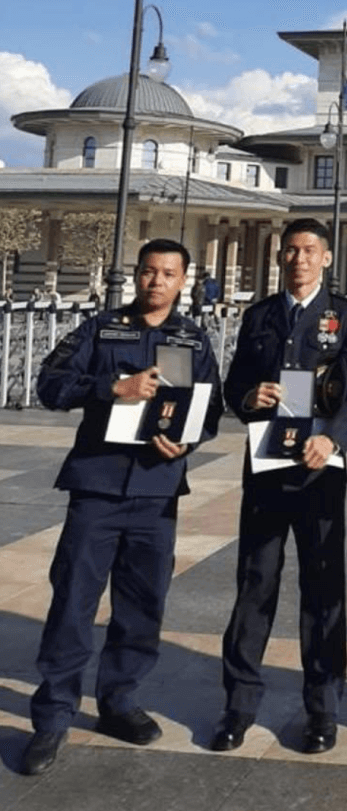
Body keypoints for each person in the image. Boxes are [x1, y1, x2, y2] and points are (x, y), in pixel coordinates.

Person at [20, 238, 222, 776]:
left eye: (168, 274)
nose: (157, 282)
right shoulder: (101, 329)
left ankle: (119, 701)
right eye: (149, 272)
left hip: (156, 492)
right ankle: (53, 715)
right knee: (74, 603)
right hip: (99, 488)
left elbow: (210, 409)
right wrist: (115, 385)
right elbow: (50, 384)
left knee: (142, 604)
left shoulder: (193, 340)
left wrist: (188, 440)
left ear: (184, 280)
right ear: (136, 275)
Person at [209, 218, 347, 754]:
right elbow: (234, 384)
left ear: (326, 258)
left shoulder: (346, 316)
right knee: (254, 585)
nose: (298, 259)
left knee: (323, 591)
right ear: (280, 259)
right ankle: (238, 706)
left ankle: (322, 709)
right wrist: (248, 397)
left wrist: (335, 441)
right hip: (266, 470)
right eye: (290, 251)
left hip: (319, 471)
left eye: (309, 250)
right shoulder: (261, 315)